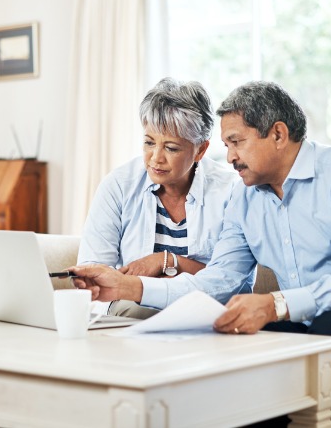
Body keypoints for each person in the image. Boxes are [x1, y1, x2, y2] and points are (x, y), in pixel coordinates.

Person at [70, 80, 331, 427]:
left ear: (278, 134)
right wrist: (127, 288)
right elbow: (217, 282)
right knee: (251, 349)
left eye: (236, 142)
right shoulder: (244, 198)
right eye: (226, 144)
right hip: (309, 315)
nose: (230, 156)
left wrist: (274, 304)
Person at [78, 77, 239, 319]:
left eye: (171, 148)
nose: (155, 158)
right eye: (149, 142)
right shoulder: (119, 186)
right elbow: (94, 272)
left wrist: (166, 261)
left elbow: (232, 282)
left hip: (203, 312)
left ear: (201, 150)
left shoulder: (230, 192)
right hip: (131, 312)